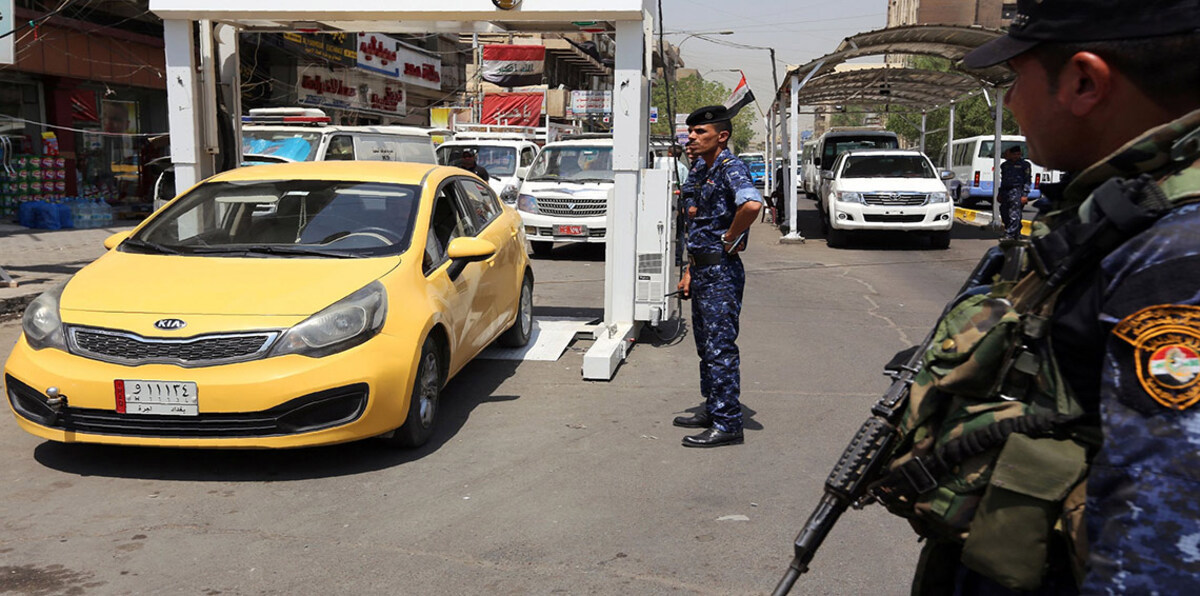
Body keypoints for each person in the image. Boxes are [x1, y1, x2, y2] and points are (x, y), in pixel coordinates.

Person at [880, 0, 1200, 593]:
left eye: (1015, 79)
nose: (1008, 103)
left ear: (1083, 82)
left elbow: (1167, 548)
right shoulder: (1122, 214)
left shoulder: (1176, 258)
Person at [672, 105, 763, 448]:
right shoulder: (700, 168)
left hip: (721, 272)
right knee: (704, 346)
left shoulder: (730, 167)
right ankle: (713, 407)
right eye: (690, 132)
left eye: (700, 133)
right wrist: (688, 271)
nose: (691, 137)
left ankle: (728, 424)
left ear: (721, 136)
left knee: (720, 347)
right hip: (702, 268)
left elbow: (752, 205)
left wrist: (731, 237)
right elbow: (696, 223)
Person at [997, 145, 1032, 239]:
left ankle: (1010, 234)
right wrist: (999, 193)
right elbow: (1003, 180)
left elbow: (1027, 180)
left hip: (1017, 191)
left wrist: (1025, 195)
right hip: (1005, 191)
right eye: (1014, 154)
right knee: (1004, 212)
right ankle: (1015, 232)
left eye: (1018, 154)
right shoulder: (1005, 165)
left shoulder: (1025, 165)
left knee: (1014, 213)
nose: (1016, 156)